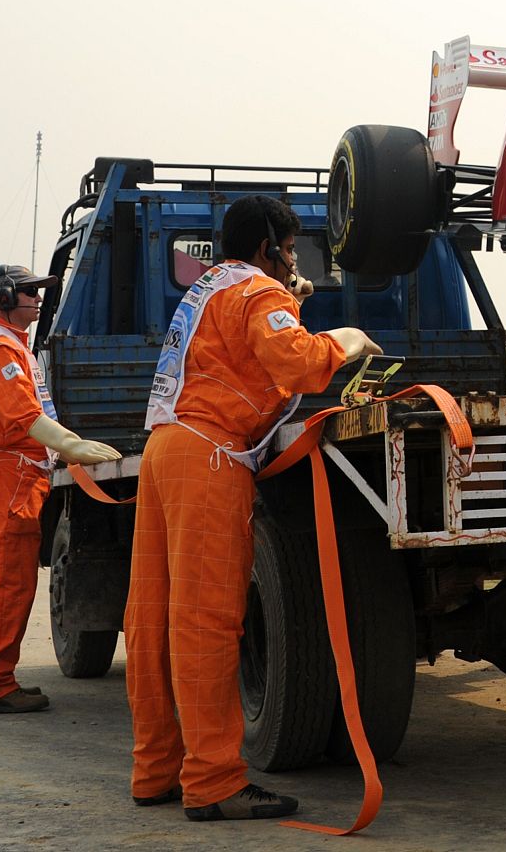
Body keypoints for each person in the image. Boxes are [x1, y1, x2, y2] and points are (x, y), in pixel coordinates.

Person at [124, 195, 381, 821]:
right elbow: (298, 363)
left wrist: (289, 299)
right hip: (210, 455)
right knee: (208, 623)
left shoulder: (212, 286)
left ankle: (156, 769)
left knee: (154, 620)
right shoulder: (257, 291)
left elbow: (245, 344)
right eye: (291, 250)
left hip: (166, 449)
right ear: (269, 248)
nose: (295, 263)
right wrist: (346, 340)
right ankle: (213, 782)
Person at [0, 265, 121, 714]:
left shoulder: (11, 346)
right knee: (5, 583)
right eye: (30, 292)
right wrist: (72, 444)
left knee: (5, 581)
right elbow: (21, 416)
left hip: (15, 474)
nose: (38, 299)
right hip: (10, 476)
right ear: (7, 297)